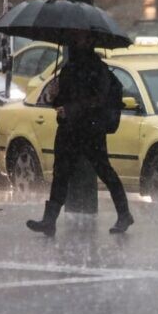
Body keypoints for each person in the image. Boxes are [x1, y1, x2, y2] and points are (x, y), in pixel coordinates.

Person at [26, 35, 133, 237]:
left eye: (81, 38)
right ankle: (49, 220)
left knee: (104, 171)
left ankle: (124, 214)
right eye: (74, 39)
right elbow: (62, 99)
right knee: (61, 174)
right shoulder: (69, 68)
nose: (77, 42)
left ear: (90, 42)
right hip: (68, 130)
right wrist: (53, 95)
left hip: (90, 131)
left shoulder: (98, 69)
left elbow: (98, 100)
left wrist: (71, 109)